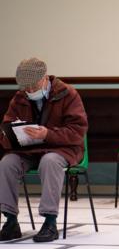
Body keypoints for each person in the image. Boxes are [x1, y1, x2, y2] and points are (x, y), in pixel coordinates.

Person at [0, 58, 88, 242]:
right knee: (7, 163)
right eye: (26, 88)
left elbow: (77, 132)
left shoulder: (68, 94)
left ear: (45, 77)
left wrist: (47, 134)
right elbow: (6, 129)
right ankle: (10, 221)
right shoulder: (19, 97)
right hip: (29, 150)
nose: (30, 91)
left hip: (62, 149)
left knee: (50, 162)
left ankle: (50, 221)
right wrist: (12, 136)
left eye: (33, 86)